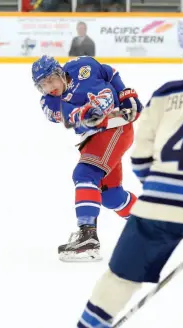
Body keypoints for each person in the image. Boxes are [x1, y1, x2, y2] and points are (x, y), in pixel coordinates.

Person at [77, 30, 183, 328]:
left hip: (155, 202)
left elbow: (141, 160)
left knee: (117, 281)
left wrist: (162, 191)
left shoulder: (165, 93)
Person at [31, 55, 143, 262]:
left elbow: (110, 73)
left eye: (51, 79)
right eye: (42, 85)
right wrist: (84, 114)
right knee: (111, 195)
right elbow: (68, 115)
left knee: (85, 173)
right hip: (95, 137)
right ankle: (149, 225)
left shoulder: (83, 65)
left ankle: (88, 237)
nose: (49, 87)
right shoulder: (49, 103)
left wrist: (127, 96)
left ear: (60, 72)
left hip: (115, 128)